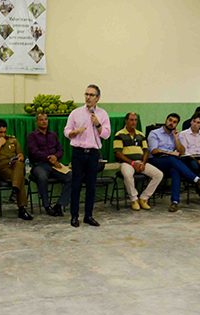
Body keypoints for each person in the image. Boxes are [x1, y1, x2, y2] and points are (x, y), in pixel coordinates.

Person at [63, 84, 111, 227]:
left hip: (93, 153)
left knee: (91, 186)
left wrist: (97, 124)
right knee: (76, 185)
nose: (88, 97)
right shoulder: (76, 113)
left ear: (98, 98)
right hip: (78, 152)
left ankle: (88, 215)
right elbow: (66, 130)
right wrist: (73, 132)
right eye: (86, 94)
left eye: (91, 95)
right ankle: (74, 216)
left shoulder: (102, 114)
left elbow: (107, 134)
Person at [147, 113, 200, 212]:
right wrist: (169, 152)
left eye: (174, 122)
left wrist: (176, 139)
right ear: (166, 120)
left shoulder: (175, 135)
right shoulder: (154, 133)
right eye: (170, 120)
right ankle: (197, 180)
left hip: (170, 163)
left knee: (175, 170)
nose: (171, 123)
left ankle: (175, 202)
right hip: (156, 161)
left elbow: (182, 151)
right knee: (172, 159)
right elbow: (154, 151)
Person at [0, 120, 34, 221]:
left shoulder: (12, 140)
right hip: (2, 170)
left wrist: (20, 157)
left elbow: (21, 155)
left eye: (4, 132)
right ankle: (22, 209)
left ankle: (15, 190)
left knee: (19, 164)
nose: (3, 134)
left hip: (15, 167)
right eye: (0, 132)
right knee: (20, 180)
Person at [113, 112, 164, 210]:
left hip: (140, 162)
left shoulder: (141, 135)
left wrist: (143, 163)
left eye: (135, 120)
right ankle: (134, 199)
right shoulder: (119, 134)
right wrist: (132, 163)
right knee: (127, 174)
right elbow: (118, 153)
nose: (134, 122)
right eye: (131, 120)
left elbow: (146, 151)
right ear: (126, 121)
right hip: (127, 163)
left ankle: (144, 198)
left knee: (158, 174)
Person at [26, 113, 71, 216]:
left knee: (71, 176)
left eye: (46, 119)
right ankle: (47, 206)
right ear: (36, 122)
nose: (44, 121)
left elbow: (60, 150)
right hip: (39, 165)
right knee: (42, 177)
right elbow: (34, 152)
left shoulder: (53, 135)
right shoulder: (32, 136)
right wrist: (49, 157)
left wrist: (56, 157)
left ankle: (59, 205)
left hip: (54, 164)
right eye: (41, 120)